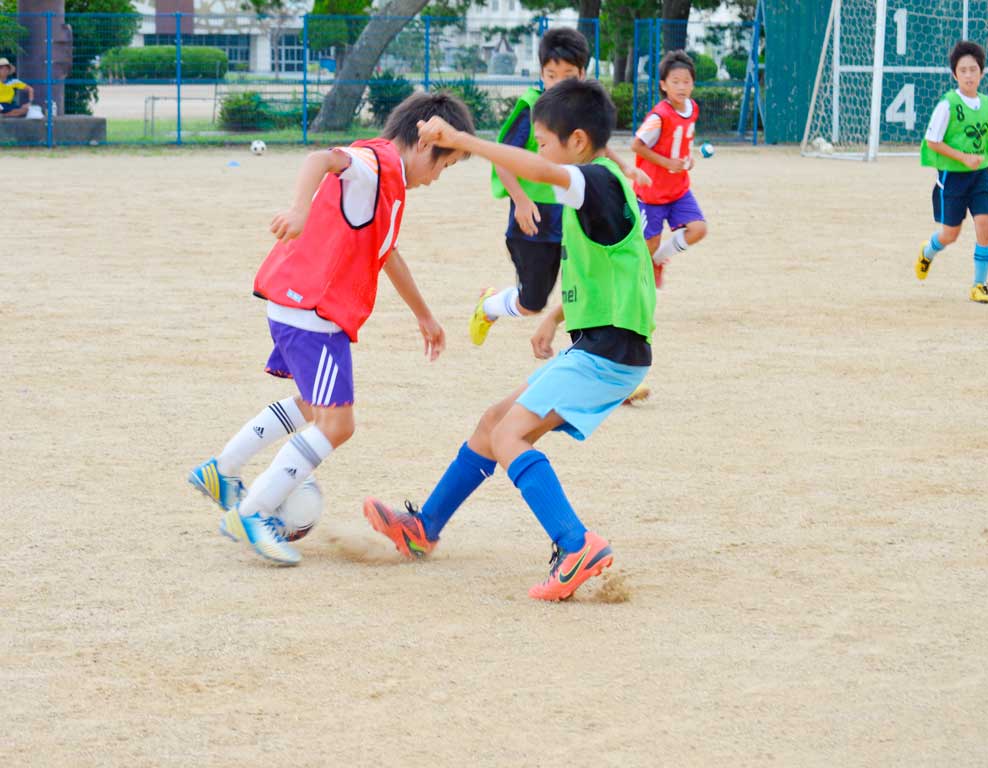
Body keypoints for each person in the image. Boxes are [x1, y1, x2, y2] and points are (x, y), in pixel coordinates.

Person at [363, 79, 656, 601]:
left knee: (509, 438)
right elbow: (611, 274)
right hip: (599, 347)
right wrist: (553, 319)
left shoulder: (597, 181)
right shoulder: (602, 187)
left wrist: (464, 140)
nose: (536, 153)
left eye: (543, 141)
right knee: (492, 423)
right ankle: (424, 527)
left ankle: (576, 545)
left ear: (579, 143)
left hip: (609, 353)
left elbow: (539, 171)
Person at [188, 92, 475, 566]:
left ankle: (223, 470)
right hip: (312, 314)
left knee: (311, 404)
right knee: (337, 424)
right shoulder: (372, 165)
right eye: (446, 166)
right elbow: (321, 158)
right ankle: (254, 512)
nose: (439, 178)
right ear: (427, 145)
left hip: (300, 308)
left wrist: (423, 314)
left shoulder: (390, 182)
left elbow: (386, 251)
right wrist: (299, 210)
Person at [471, 27, 649, 345]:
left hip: (574, 217)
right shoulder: (532, 107)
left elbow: (594, 145)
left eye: (568, 75)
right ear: (541, 73)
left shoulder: (581, 108)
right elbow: (504, 158)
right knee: (532, 303)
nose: (559, 83)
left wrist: (625, 168)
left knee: (589, 286)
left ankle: (605, 356)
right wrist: (522, 201)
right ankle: (489, 306)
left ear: (582, 74)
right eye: (552, 75)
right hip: (536, 219)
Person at [916, 40, 988, 303]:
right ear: (955, 74)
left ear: (982, 73)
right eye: (962, 70)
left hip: (980, 175)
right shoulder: (948, 104)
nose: (968, 75)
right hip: (952, 177)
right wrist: (963, 157)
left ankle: (979, 284)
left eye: (973, 69)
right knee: (950, 234)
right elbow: (932, 141)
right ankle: (928, 251)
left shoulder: (987, 104)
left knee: (985, 221)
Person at [631, 50, 708, 289]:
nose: (681, 87)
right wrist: (667, 163)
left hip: (678, 189)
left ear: (693, 84)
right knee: (648, 243)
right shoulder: (659, 116)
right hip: (652, 193)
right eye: (675, 82)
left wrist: (688, 158)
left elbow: (684, 139)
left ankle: (658, 260)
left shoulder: (692, 108)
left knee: (698, 229)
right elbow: (637, 145)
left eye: (686, 81)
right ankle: (634, 286)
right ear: (663, 85)